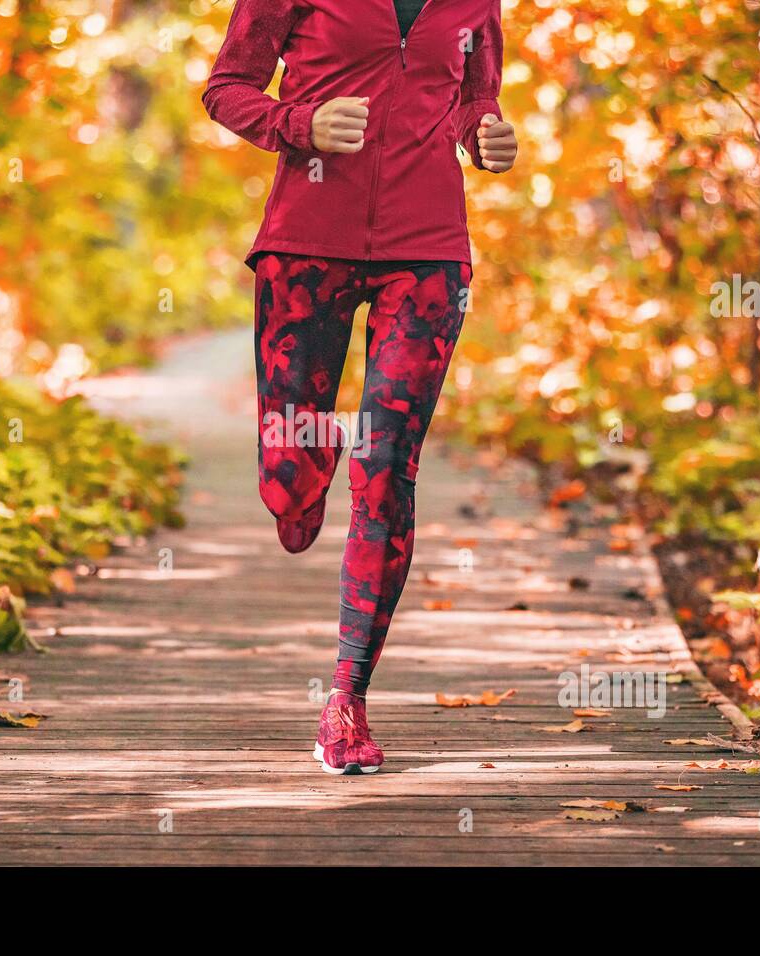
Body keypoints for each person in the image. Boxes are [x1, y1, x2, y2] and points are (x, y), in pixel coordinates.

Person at [203, 0, 518, 774]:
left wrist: (488, 134)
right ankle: (303, 467)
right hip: (306, 239)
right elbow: (227, 87)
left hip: (429, 249)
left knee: (386, 468)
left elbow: (476, 98)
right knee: (289, 475)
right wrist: (298, 124)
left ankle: (347, 698)